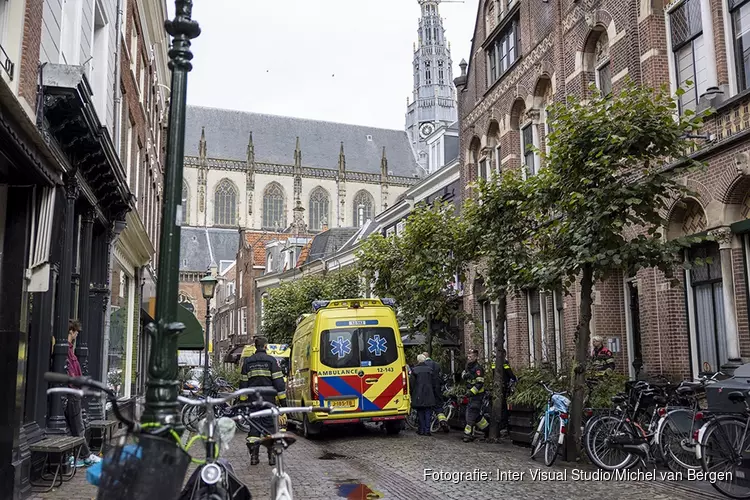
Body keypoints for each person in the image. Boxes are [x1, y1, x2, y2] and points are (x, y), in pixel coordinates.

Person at [239, 336, 287, 466]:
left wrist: (242, 403)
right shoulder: (271, 361)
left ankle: (254, 457)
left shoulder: (247, 362)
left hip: (253, 402)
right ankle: (271, 457)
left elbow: (243, 384)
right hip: (268, 402)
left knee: (254, 429)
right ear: (266, 346)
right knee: (270, 428)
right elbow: (279, 384)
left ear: (255, 346)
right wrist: (283, 404)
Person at [64, 320, 101, 467]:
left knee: (76, 426)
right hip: (72, 393)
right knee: (78, 426)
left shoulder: (69, 349)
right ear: (71, 331)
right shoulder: (66, 350)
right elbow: (70, 371)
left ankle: (79, 455)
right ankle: (85, 456)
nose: (77, 334)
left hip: (74, 392)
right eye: (76, 332)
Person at [462, 349, 489, 442]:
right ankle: (487, 429)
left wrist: (471, 392)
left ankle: (467, 434)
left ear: (476, 357)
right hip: (470, 395)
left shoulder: (478, 368)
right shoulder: (468, 367)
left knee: (471, 415)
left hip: (477, 395)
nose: (469, 358)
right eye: (468, 356)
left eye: (471, 356)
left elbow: (479, 383)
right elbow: (465, 378)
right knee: (476, 416)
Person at [409, 354, 440, 436]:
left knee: (420, 412)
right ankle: (427, 430)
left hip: (418, 394)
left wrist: (412, 393)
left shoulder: (415, 370)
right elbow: (434, 382)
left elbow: (412, 384)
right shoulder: (430, 370)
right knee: (428, 412)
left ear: (418, 360)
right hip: (429, 394)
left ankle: (421, 430)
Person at [422, 351, 448, 431]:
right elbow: (441, 376)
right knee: (438, 406)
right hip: (437, 388)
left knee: (428, 407)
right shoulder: (437, 365)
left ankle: (427, 425)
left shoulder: (423, 366)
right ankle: (442, 420)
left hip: (428, 389)